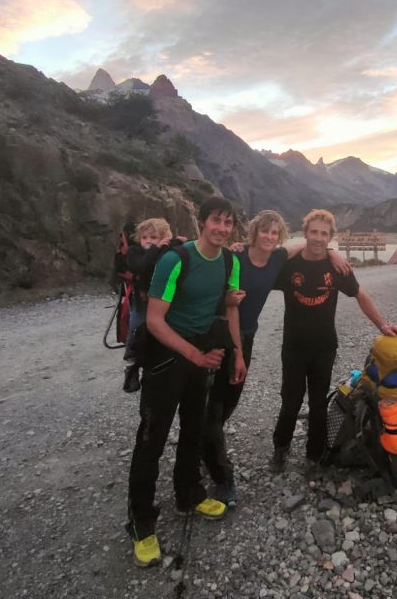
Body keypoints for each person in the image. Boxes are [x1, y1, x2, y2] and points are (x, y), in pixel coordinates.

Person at [126, 196, 247, 569]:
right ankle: (141, 524)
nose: (223, 229)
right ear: (202, 222)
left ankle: (188, 493)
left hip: (202, 354)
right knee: (152, 439)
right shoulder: (174, 260)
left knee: (194, 430)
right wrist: (193, 356)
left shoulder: (230, 261)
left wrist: (238, 353)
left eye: (228, 223)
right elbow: (156, 321)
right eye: (217, 221)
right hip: (166, 358)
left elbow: (228, 309)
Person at [203, 210, 350, 507]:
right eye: (264, 231)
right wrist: (236, 351)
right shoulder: (235, 257)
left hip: (248, 336)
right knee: (214, 406)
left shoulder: (276, 260)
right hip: (217, 334)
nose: (269, 237)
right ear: (254, 232)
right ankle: (219, 470)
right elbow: (227, 301)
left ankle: (204, 450)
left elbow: (303, 247)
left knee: (228, 402)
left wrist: (332, 252)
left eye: (274, 232)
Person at [270, 208, 397, 473]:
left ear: (330, 237)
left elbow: (360, 295)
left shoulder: (337, 268)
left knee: (319, 402)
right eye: (313, 232)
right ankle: (280, 448)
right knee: (290, 400)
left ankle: (314, 454)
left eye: (324, 234)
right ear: (305, 233)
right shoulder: (290, 267)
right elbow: (259, 269)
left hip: (324, 346)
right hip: (294, 346)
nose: (318, 238)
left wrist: (383, 325)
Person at [121, 218, 179, 393]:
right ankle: (131, 365)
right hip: (142, 298)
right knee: (137, 325)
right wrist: (156, 247)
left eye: (153, 237)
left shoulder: (165, 250)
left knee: (165, 328)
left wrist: (176, 242)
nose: (147, 241)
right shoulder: (135, 251)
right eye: (144, 237)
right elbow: (141, 266)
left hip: (162, 298)